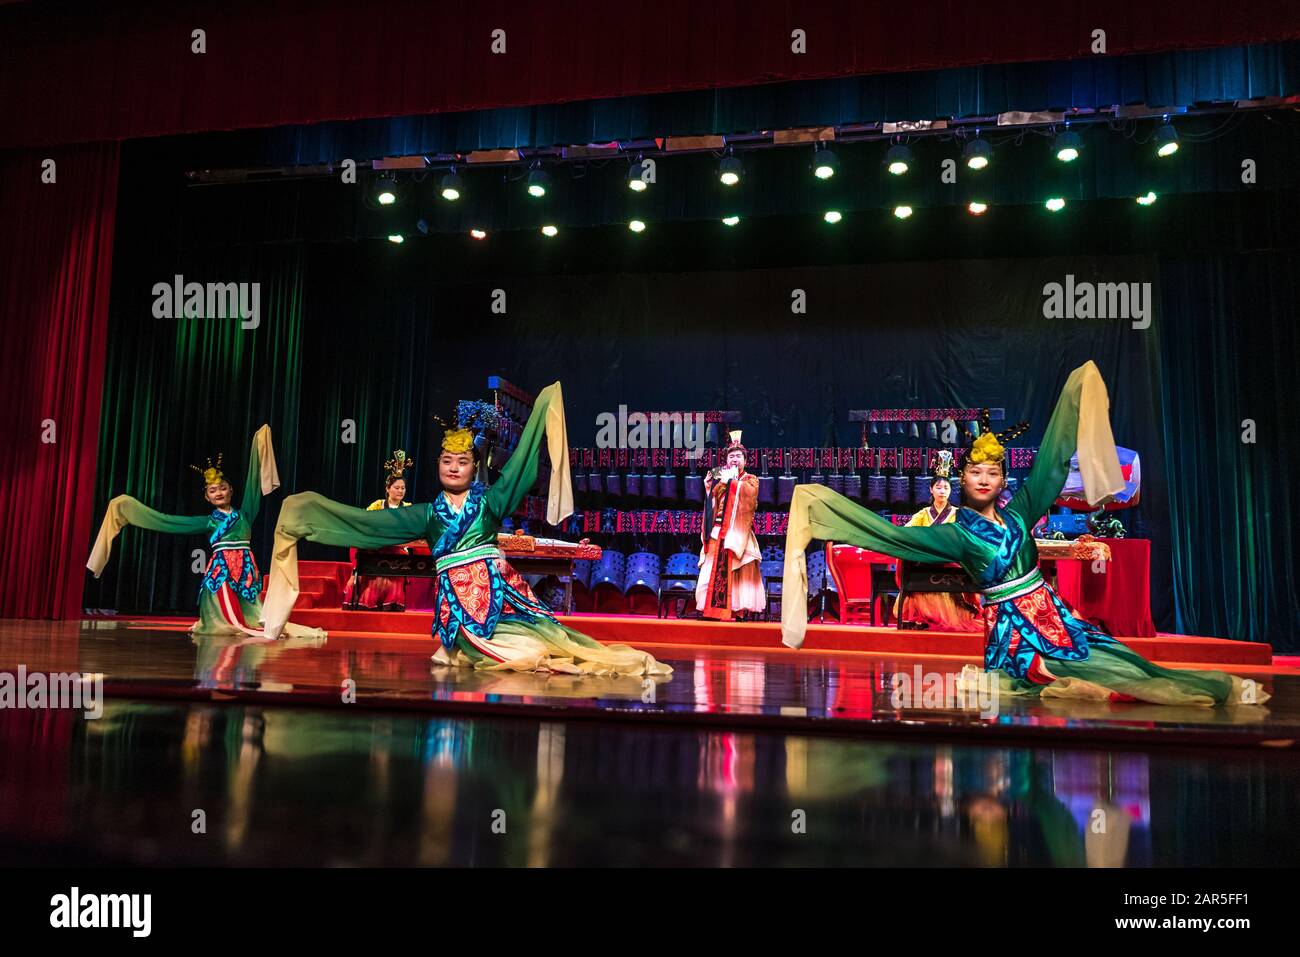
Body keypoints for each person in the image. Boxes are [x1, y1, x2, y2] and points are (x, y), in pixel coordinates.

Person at [781, 361, 1268, 707]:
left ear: (1001, 480)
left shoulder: (1021, 512)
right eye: (976, 473)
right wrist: (820, 506)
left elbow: (1053, 463)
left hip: (1058, 618)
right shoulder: (955, 535)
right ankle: (1203, 689)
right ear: (963, 480)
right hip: (1013, 635)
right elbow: (889, 536)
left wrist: (1077, 390)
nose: (985, 479)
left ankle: (1205, 686)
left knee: (1127, 661)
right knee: (1083, 670)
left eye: (993, 472)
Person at [261, 383, 671, 677]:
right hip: (456, 606)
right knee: (473, 657)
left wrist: (544, 407)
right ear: (438, 465)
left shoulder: (490, 503)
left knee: (538, 645)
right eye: (446, 460)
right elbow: (370, 524)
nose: (453, 467)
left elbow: (520, 471)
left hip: (496, 595)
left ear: (475, 468)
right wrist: (309, 514)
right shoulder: (426, 513)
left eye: (462, 461)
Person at [87, 426, 323, 639]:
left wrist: (258, 447)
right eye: (213, 490)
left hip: (244, 566)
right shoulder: (208, 521)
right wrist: (129, 509)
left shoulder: (245, 514)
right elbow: (169, 522)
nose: (218, 492)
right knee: (218, 607)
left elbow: (253, 486)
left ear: (231, 490)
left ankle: (246, 623)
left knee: (249, 609)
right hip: (220, 567)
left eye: (222, 488)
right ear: (207, 497)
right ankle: (220, 623)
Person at [893, 450, 982, 631]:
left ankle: (954, 615)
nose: (942, 491)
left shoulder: (959, 514)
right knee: (912, 567)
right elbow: (907, 532)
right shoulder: (922, 514)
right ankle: (924, 617)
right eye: (939, 487)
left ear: (951, 491)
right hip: (926, 563)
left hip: (950, 562)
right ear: (931, 490)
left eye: (946, 488)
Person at [696, 431, 765, 620]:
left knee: (738, 571)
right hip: (718, 531)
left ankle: (738, 609)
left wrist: (732, 483)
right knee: (712, 569)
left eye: (738, 456)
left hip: (737, 533)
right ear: (726, 460)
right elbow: (714, 507)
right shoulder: (720, 483)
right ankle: (712, 610)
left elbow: (750, 497)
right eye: (731, 456)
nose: (735, 459)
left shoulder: (751, 480)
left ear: (745, 460)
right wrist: (710, 488)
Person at [343, 451, 415, 611]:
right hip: (376, 549)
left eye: (403, 488)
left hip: (397, 551)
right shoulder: (377, 505)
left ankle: (391, 605)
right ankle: (369, 604)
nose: (400, 491)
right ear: (388, 488)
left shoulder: (409, 508)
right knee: (371, 566)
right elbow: (365, 523)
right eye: (396, 487)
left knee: (396, 565)